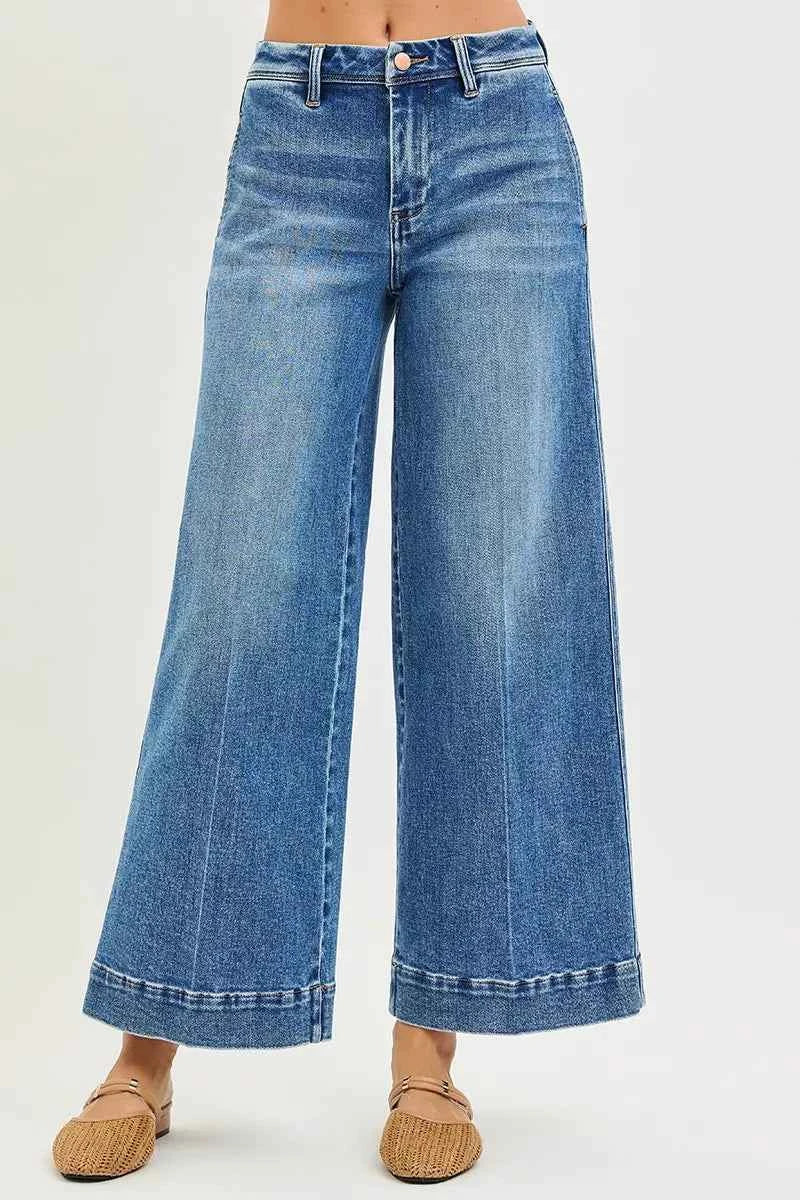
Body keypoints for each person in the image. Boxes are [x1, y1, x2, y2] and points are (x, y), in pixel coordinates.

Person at [52, 0, 643, 1183]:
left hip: (498, 129)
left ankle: (428, 1050)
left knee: (491, 593)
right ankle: (149, 1041)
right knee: (240, 595)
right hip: (300, 134)